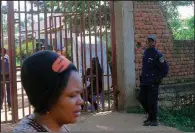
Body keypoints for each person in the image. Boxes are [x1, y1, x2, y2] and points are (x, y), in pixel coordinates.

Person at [12, 50, 84, 132]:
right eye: (72, 95)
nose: (81, 101)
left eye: (80, 93)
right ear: (47, 98)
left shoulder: (58, 127)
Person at [138, 35, 169, 126]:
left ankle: (154, 120)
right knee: (141, 98)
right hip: (144, 82)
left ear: (155, 43)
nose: (149, 42)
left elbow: (165, 69)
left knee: (152, 101)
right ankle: (150, 116)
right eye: (148, 41)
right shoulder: (146, 52)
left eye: (151, 41)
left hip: (153, 83)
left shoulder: (158, 54)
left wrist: (157, 79)